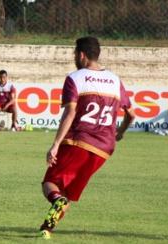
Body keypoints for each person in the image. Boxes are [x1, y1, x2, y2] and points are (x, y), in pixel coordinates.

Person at [38, 37, 135, 239]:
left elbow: (70, 113)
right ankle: (47, 229)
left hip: (79, 140)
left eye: (75, 53)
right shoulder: (115, 80)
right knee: (66, 193)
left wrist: (55, 145)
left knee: (50, 183)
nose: (75, 57)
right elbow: (131, 114)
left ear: (81, 55)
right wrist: (120, 132)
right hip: (104, 149)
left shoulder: (75, 78)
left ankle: (55, 204)